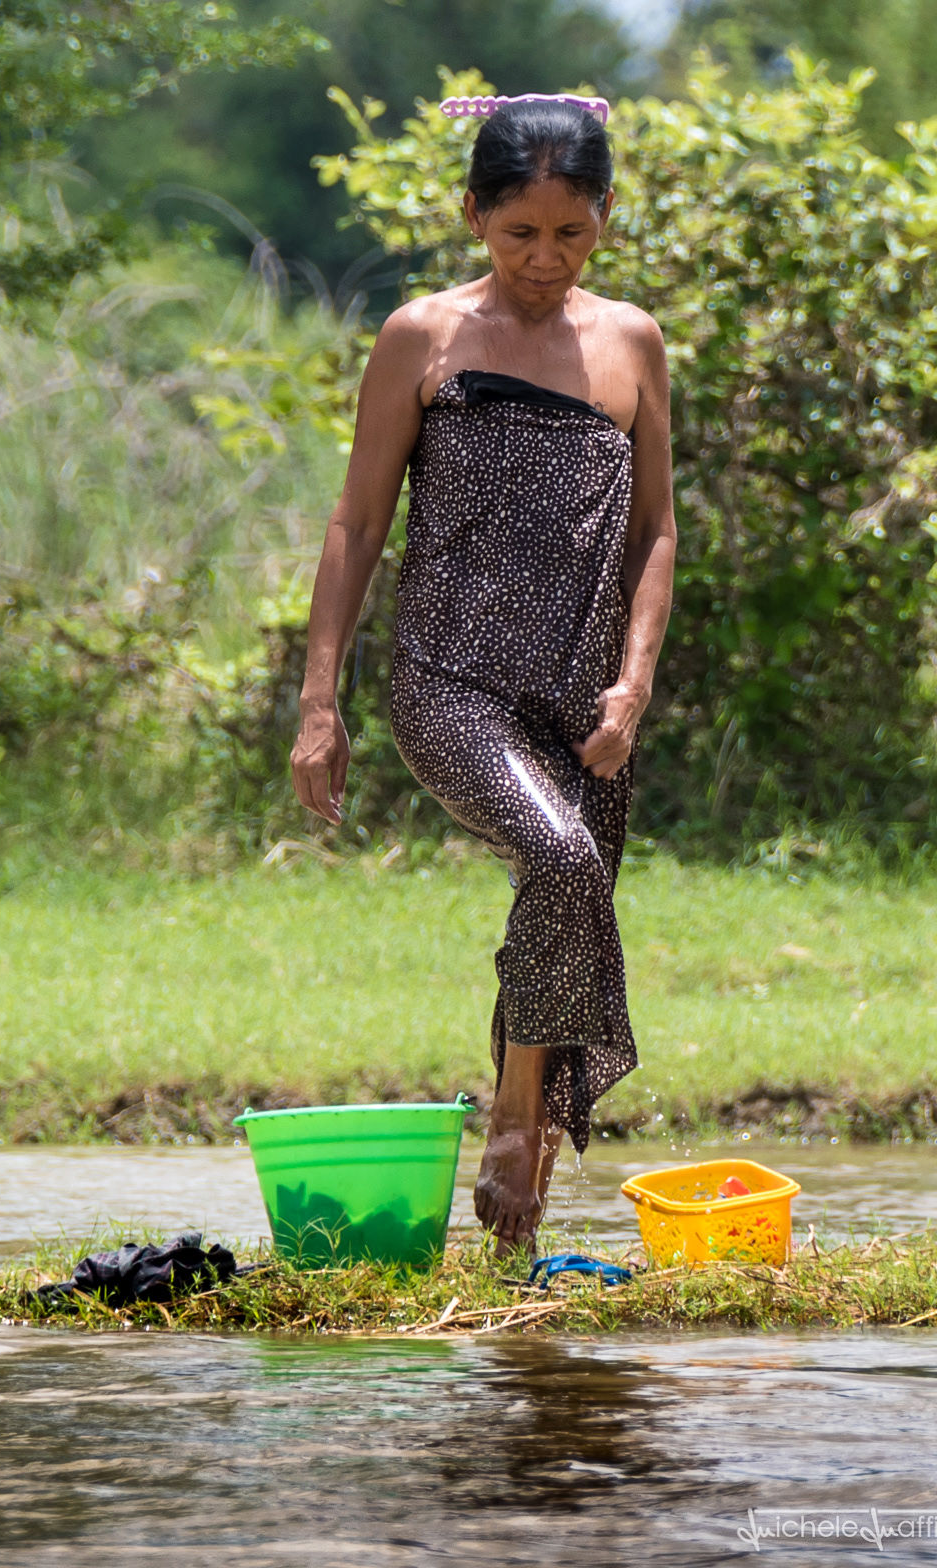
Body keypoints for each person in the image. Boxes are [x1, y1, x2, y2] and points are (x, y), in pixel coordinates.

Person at [288, 92, 677, 1253]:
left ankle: (516, 1272)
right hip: (452, 680)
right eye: (519, 235)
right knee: (559, 861)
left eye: (571, 233)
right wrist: (320, 704)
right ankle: (510, 1133)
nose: (545, 260)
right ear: (471, 216)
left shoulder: (632, 342)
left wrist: (636, 681)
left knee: (564, 913)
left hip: (583, 694)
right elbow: (357, 524)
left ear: (605, 215)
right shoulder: (423, 337)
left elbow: (657, 530)